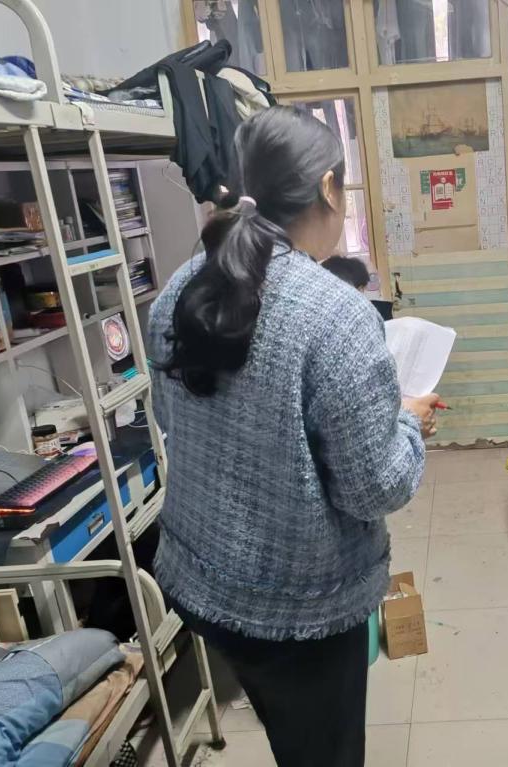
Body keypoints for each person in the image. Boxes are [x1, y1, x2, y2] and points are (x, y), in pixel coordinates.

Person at [148, 106, 439, 767]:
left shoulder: (180, 288)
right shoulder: (337, 315)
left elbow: (172, 416)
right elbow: (375, 486)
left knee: (290, 731)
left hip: (202, 581)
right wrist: (406, 422)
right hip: (300, 609)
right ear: (329, 187)